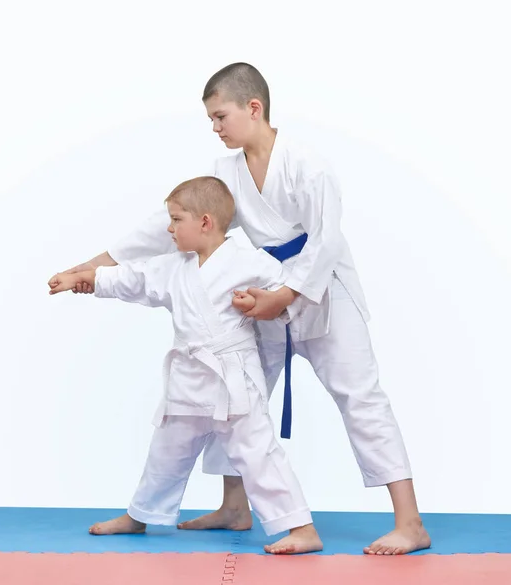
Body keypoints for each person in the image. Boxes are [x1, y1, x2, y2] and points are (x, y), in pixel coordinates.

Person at [50, 62, 431, 555]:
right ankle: (235, 507)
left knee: (361, 398)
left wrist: (286, 296)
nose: (215, 127)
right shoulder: (222, 172)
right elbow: (157, 228)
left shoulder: (307, 165)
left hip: (321, 294)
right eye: (211, 119)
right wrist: (89, 266)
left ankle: (410, 521)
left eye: (220, 116)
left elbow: (325, 241)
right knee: (234, 397)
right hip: (255, 293)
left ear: (254, 108)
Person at [49, 176, 322, 554]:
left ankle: (301, 528)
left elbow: (285, 294)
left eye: (177, 220)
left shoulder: (250, 262)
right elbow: (130, 278)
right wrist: (83, 278)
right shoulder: (174, 266)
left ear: (205, 222)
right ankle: (140, 514)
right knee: (166, 451)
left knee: (258, 452)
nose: (169, 228)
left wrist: (263, 302)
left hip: (233, 381)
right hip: (188, 379)